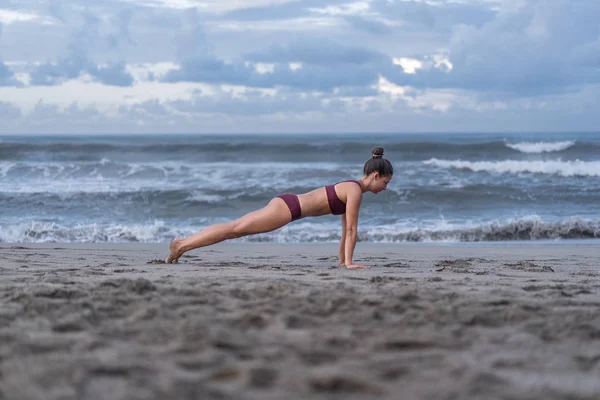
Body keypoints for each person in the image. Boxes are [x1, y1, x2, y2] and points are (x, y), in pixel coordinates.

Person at [165, 146, 393, 269]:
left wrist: (344, 262)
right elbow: (353, 230)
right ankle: (182, 244)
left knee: (236, 227)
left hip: (287, 205)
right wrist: (351, 264)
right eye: (385, 182)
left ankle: (182, 244)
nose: (385, 187)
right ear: (375, 175)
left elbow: (346, 231)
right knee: (236, 229)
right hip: (288, 208)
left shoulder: (351, 189)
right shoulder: (353, 191)